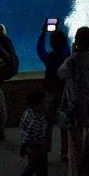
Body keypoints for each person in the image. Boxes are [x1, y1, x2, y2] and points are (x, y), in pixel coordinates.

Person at [57, 26, 89, 176]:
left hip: (75, 111)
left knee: (75, 148)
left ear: (76, 42)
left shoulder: (71, 61)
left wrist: (72, 54)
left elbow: (60, 74)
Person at [11, 90, 51, 176]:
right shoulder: (41, 119)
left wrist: (23, 146)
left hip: (29, 149)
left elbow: (22, 128)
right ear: (39, 104)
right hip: (38, 151)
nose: (48, 102)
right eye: (45, 100)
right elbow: (40, 136)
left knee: (31, 167)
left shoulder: (27, 113)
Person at [36, 23, 71, 161]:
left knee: (48, 122)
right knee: (63, 123)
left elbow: (40, 50)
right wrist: (61, 35)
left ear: (51, 43)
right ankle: (64, 152)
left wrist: (43, 34)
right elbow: (67, 48)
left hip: (50, 93)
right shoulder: (66, 57)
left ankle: (45, 149)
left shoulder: (49, 58)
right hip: (63, 93)